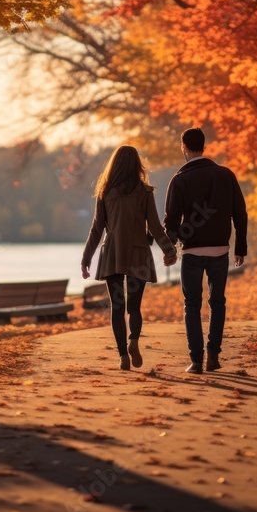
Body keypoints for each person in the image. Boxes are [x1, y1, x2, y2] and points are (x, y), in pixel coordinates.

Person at [82, 146, 177, 371]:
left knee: (117, 306)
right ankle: (133, 339)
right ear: (137, 165)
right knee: (134, 307)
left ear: (113, 165)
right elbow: (154, 225)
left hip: (112, 253)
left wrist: (86, 257)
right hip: (138, 254)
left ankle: (123, 356)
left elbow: (96, 229)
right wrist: (169, 250)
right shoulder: (144, 191)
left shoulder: (104, 192)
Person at [163, 128, 248, 374]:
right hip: (220, 250)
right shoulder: (225, 175)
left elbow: (171, 220)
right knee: (217, 302)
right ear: (204, 147)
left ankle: (196, 361)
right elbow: (239, 213)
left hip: (191, 252)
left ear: (184, 148)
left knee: (192, 304)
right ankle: (214, 355)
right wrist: (240, 247)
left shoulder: (179, 180)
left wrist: (170, 249)